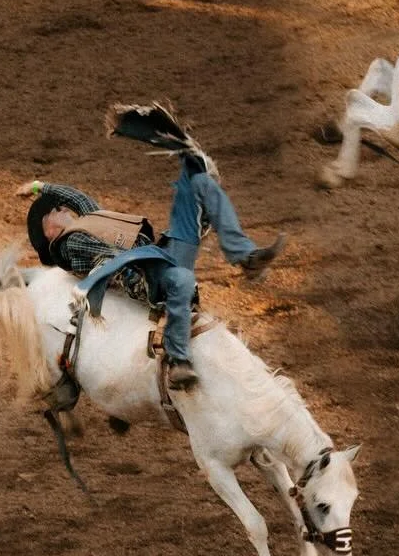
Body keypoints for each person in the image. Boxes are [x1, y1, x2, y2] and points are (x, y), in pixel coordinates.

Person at [25, 103, 283, 391]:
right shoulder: (72, 243)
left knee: (198, 182)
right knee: (182, 280)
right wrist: (138, 269)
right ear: (49, 230)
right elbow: (109, 258)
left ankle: (245, 256)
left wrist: (42, 187)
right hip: (146, 275)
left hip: (161, 255)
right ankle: (177, 360)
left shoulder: (88, 221)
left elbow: (80, 198)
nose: (63, 208)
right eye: (55, 210)